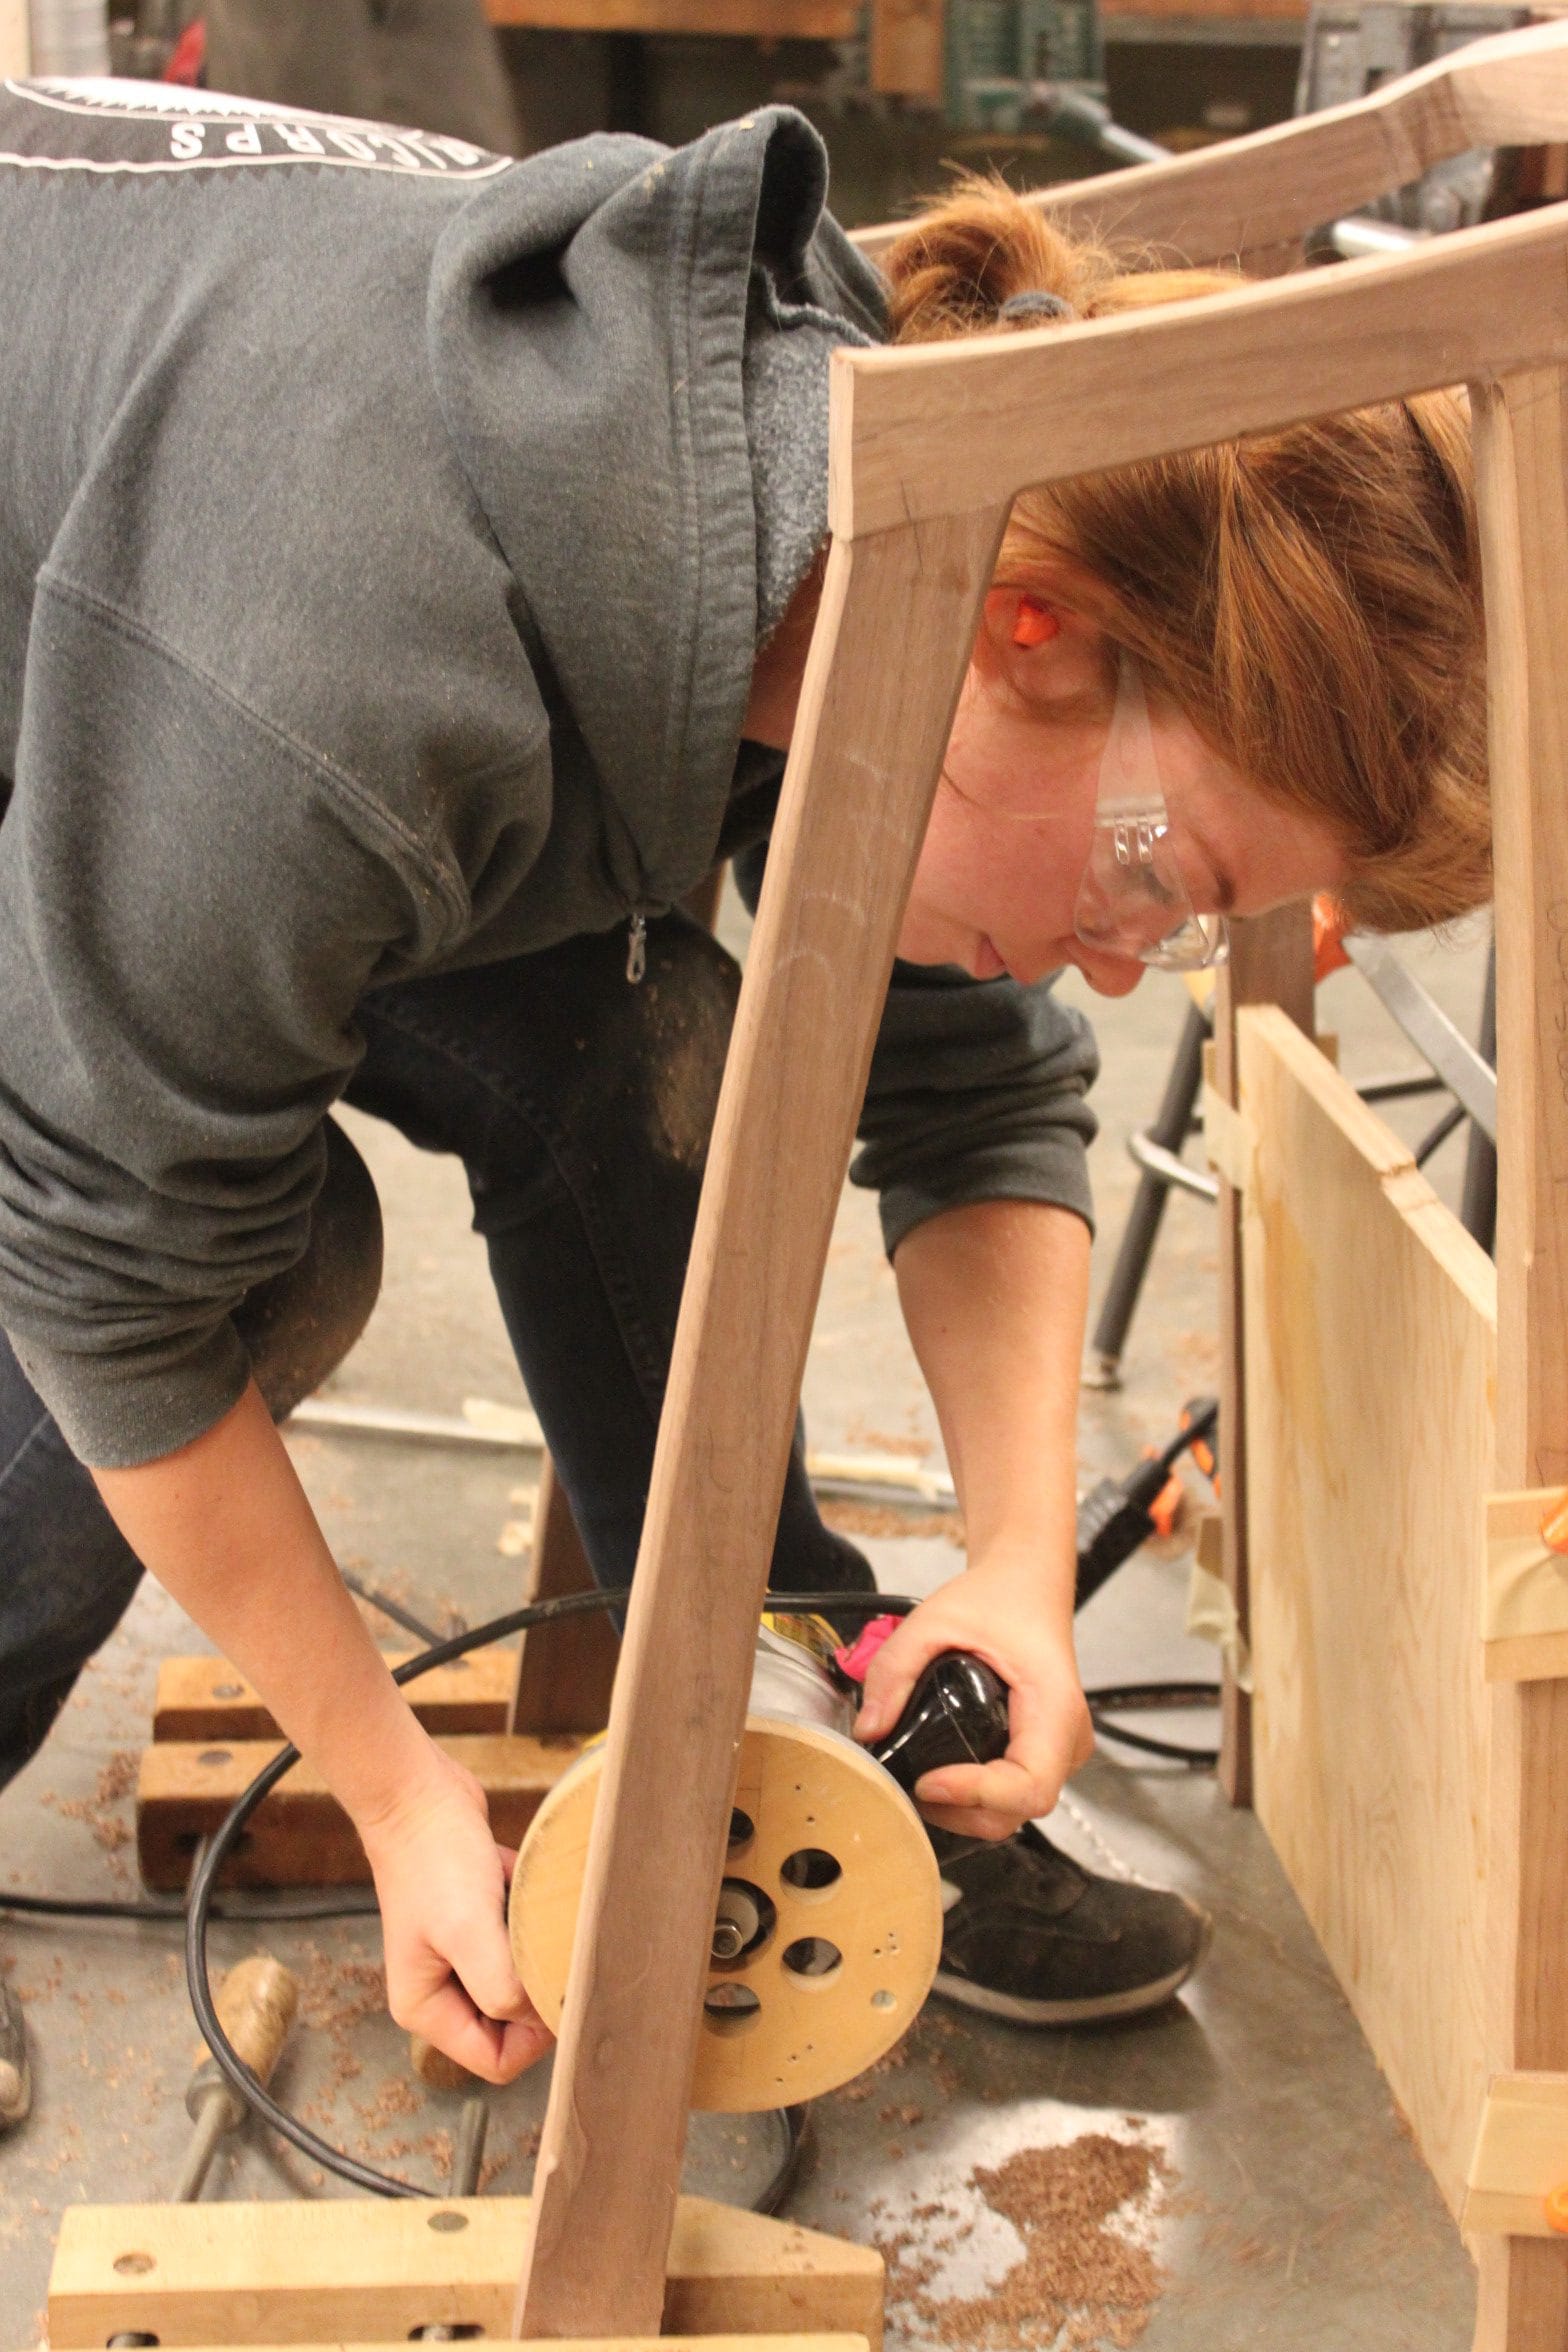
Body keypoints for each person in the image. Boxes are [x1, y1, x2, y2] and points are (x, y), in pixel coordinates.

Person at [0, 78, 1486, 2091]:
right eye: (1160, 879)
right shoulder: (356, 667)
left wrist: (1019, 1574)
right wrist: (392, 1783)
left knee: (647, 1048)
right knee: (247, 1266)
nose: (1128, 962)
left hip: (163, 682)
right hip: (138, 681)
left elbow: (973, 1089)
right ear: (1033, 637)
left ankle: (790, 1725)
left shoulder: (876, 513)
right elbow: (111, 1285)